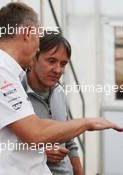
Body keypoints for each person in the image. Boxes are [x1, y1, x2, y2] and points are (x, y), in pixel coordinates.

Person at [0, 2, 123, 175]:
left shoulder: (1, 71)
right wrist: (87, 122)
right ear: (28, 33)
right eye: (38, 38)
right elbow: (36, 133)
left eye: (63, 64)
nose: (38, 46)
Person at [21, 32, 83, 175]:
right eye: (51, 61)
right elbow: (4, 143)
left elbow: (69, 141)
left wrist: (79, 171)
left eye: (63, 64)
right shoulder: (16, 91)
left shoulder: (59, 92)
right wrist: (41, 153)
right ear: (34, 58)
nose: (58, 70)